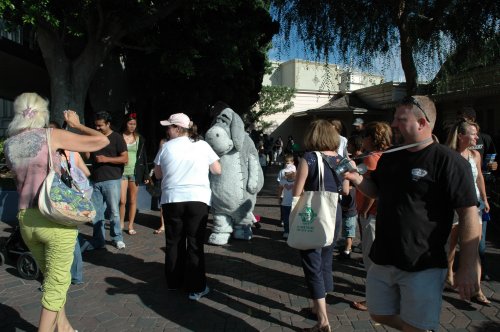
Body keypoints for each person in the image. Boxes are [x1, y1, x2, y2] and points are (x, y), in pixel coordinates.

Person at [344, 95, 480, 332]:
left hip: (423, 264)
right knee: (379, 312)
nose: (394, 124)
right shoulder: (390, 157)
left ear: (422, 123)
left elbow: (469, 215)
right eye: (395, 118)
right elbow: (376, 191)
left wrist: (466, 265)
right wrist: (356, 179)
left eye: (400, 119)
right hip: (383, 257)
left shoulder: (449, 161)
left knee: (416, 326)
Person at [4, 92, 109, 332]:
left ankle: (64, 328)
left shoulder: (10, 144)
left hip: (26, 220)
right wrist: (76, 125)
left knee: (50, 277)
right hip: (52, 216)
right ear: (42, 114)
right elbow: (102, 141)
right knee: (57, 282)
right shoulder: (50, 136)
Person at [154, 113, 221, 300]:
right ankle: (196, 287)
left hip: (172, 198)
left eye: (169, 127)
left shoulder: (165, 147)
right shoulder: (202, 145)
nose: (167, 130)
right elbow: (217, 169)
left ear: (177, 128)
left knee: (174, 241)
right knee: (194, 243)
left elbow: (158, 174)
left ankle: (174, 281)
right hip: (197, 198)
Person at [293, 119, 349, 332]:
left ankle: (323, 321)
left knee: (311, 264)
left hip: (313, 215)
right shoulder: (341, 159)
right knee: (325, 260)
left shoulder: (309, 158)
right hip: (334, 214)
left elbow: (297, 191)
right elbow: (345, 190)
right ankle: (318, 306)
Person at [445, 119, 490, 304]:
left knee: (474, 247)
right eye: (473, 133)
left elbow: (479, 176)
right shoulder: (449, 155)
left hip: (474, 205)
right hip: (453, 206)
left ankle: (477, 289)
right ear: (461, 136)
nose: (476, 137)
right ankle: (448, 275)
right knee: (451, 244)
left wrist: (485, 199)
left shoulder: (475, 155)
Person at [352, 121, 392, 312]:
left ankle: (375, 298)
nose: (363, 140)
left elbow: (371, 188)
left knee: (371, 258)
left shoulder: (371, 159)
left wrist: (365, 210)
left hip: (372, 213)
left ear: (371, 138)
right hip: (382, 213)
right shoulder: (388, 155)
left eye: (365, 136)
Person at [48, 121, 92, 285]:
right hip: (76, 198)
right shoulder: (73, 152)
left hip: (62, 200)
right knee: (71, 236)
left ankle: (72, 275)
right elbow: (86, 172)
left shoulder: (54, 154)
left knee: (67, 238)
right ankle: (75, 274)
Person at [84, 111, 128, 250]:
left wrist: (106, 159)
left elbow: (125, 159)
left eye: (100, 126)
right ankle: (99, 240)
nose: (97, 128)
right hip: (96, 180)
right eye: (95, 126)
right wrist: (87, 145)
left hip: (112, 180)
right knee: (96, 213)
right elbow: (87, 157)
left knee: (114, 211)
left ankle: (117, 238)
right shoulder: (94, 137)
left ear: (108, 124)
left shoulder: (117, 138)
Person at [119, 112, 149, 235]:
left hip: (135, 172)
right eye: (130, 123)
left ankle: (130, 225)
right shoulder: (119, 137)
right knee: (122, 200)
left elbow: (144, 158)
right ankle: (121, 223)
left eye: (134, 124)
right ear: (125, 124)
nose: (132, 126)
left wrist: (146, 174)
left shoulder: (139, 138)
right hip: (122, 172)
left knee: (133, 200)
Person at [277, 163, 296, 239]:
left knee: (293, 219)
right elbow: (280, 189)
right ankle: (286, 231)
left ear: (293, 172)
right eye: (286, 172)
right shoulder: (283, 180)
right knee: (285, 218)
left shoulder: (297, 181)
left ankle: (293, 231)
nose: (286, 173)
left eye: (288, 172)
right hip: (285, 203)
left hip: (294, 203)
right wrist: (279, 198)